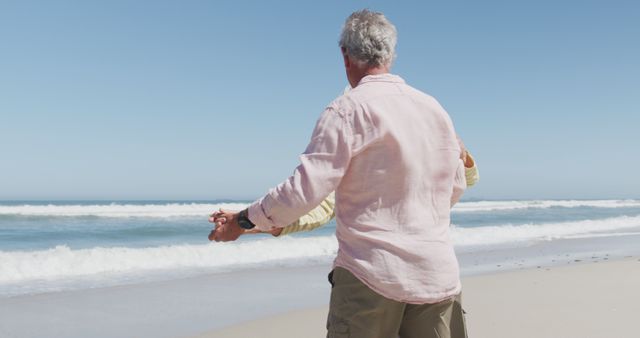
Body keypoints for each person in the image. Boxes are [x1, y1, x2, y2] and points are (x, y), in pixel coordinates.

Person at [210, 9, 469, 338]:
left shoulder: (347, 110)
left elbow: (303, 192)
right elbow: (455, 185)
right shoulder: (435, 110)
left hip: (371, 277)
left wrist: (243, 221)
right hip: (438, 276)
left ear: (345, 56)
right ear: (390, 54)